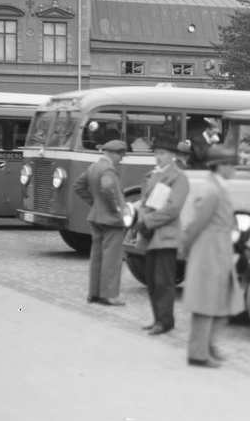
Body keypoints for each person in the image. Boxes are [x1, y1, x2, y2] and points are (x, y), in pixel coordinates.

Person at [179, 145, 244, 367]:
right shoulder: (211, 190)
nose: (234, 169)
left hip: (218, 250)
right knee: (205, 303)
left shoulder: (217, 187)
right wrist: (184, 247)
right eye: (231, 165)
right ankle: (198, 353)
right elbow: (196, 223)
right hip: (209, 251)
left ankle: (208, 345)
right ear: (221, 166)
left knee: (222, 300)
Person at [134, 133, 191, 335]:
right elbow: (149, 203)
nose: (158, 157)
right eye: (156, 153)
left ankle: (165, 321)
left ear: (172, 155)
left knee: (163, 282)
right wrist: (140, 217)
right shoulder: (156, 175)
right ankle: (159, 318)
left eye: (163, 153)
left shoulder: (179, 177)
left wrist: (146, 221)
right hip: (151, 236)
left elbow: (172, 209)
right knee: (152, 281)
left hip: (165, 236)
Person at [72, 139, 130, 306]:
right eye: (121, 155)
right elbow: (107, 188)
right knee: (112, 258)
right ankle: (109, 295)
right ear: (113, 154)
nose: (121, 159)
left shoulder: (94, 167)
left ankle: (94, 293)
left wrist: (95, 203)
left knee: (97, 256)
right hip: (111, 220)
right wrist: (116, 209)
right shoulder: (108, 169)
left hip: (96, 217)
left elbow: (78, 186)